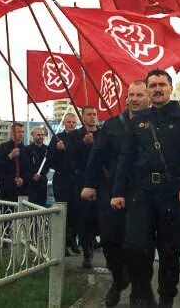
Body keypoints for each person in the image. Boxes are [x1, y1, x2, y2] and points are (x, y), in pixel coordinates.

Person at [111, 69, 180, 307]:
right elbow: (126, 157)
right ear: (148, 89)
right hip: (142, 192)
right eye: (152, 85)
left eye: (161, 84)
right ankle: (143, 291)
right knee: (134, 246)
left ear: (170, 88)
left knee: (169, 252)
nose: (157, 89)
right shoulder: (140, 120)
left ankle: (165, 299)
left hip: (173, 193)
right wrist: (118, 191)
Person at [82, 80, 150, 306]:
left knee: (136, 243)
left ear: (148, 97)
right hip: (110, 189)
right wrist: (89, 184)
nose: (134, 99)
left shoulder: (154, 124)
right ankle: (119, 278)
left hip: (143, 191)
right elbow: (96, 157)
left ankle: (139, 291)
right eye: (131, 95)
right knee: (110, 239)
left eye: (140, 95)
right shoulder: (111, 126)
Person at [68, 105, 100, 268]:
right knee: (84, 219)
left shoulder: (102, 133)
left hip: (102, 181)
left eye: (94, 114)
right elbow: (69, 155)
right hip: (82, 181)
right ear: (82, 116)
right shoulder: (75, 135)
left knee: (102, 219)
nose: (92, 117)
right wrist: (83, 143)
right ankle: (87, 253)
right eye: (89, 114)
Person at [47, 112, 81, 255]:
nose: (71, 124)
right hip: (61, 179)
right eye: (69, 122)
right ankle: (63, 244)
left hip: (76, 179)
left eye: (73, 122)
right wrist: (57, 149)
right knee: (63, 210)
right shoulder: (57, 138)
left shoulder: (80, 137)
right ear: (65, 123)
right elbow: (49, 158)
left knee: (76, 211)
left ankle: (72, 239)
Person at [0, 123, 28, 201]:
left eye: (22, 132)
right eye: (18, 132)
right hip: (7, 187)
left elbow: (28, 168)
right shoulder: (2, 147)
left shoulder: (27, 150)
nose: (21, 134)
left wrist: (23, 179)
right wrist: (10, 156)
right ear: (12, 133)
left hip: (22, 188)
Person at [23, 126, 49, 205]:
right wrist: (31, 176)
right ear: (33, 136)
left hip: (42, 183)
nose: (41, 137)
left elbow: (48, 166)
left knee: (42, 206)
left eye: (42, 135)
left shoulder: (47, 150)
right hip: (31, 185)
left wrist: (42, 174)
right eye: (38, 135)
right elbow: (24, 167)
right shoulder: (27, 150)